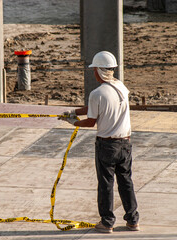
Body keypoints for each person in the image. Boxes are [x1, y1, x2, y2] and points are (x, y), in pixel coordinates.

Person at [59, 51, 139, 233]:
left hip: (107, 146)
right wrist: (74, 111)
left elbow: (91, 120)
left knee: (106, 184)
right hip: (125, 144)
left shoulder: (97, 93)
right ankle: (133, 220)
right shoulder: (121, 88)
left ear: (100, 71)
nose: (93, 72)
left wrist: (74, 122)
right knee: (126, 182)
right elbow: (94, 108)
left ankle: (107, 222)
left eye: (94, 69)